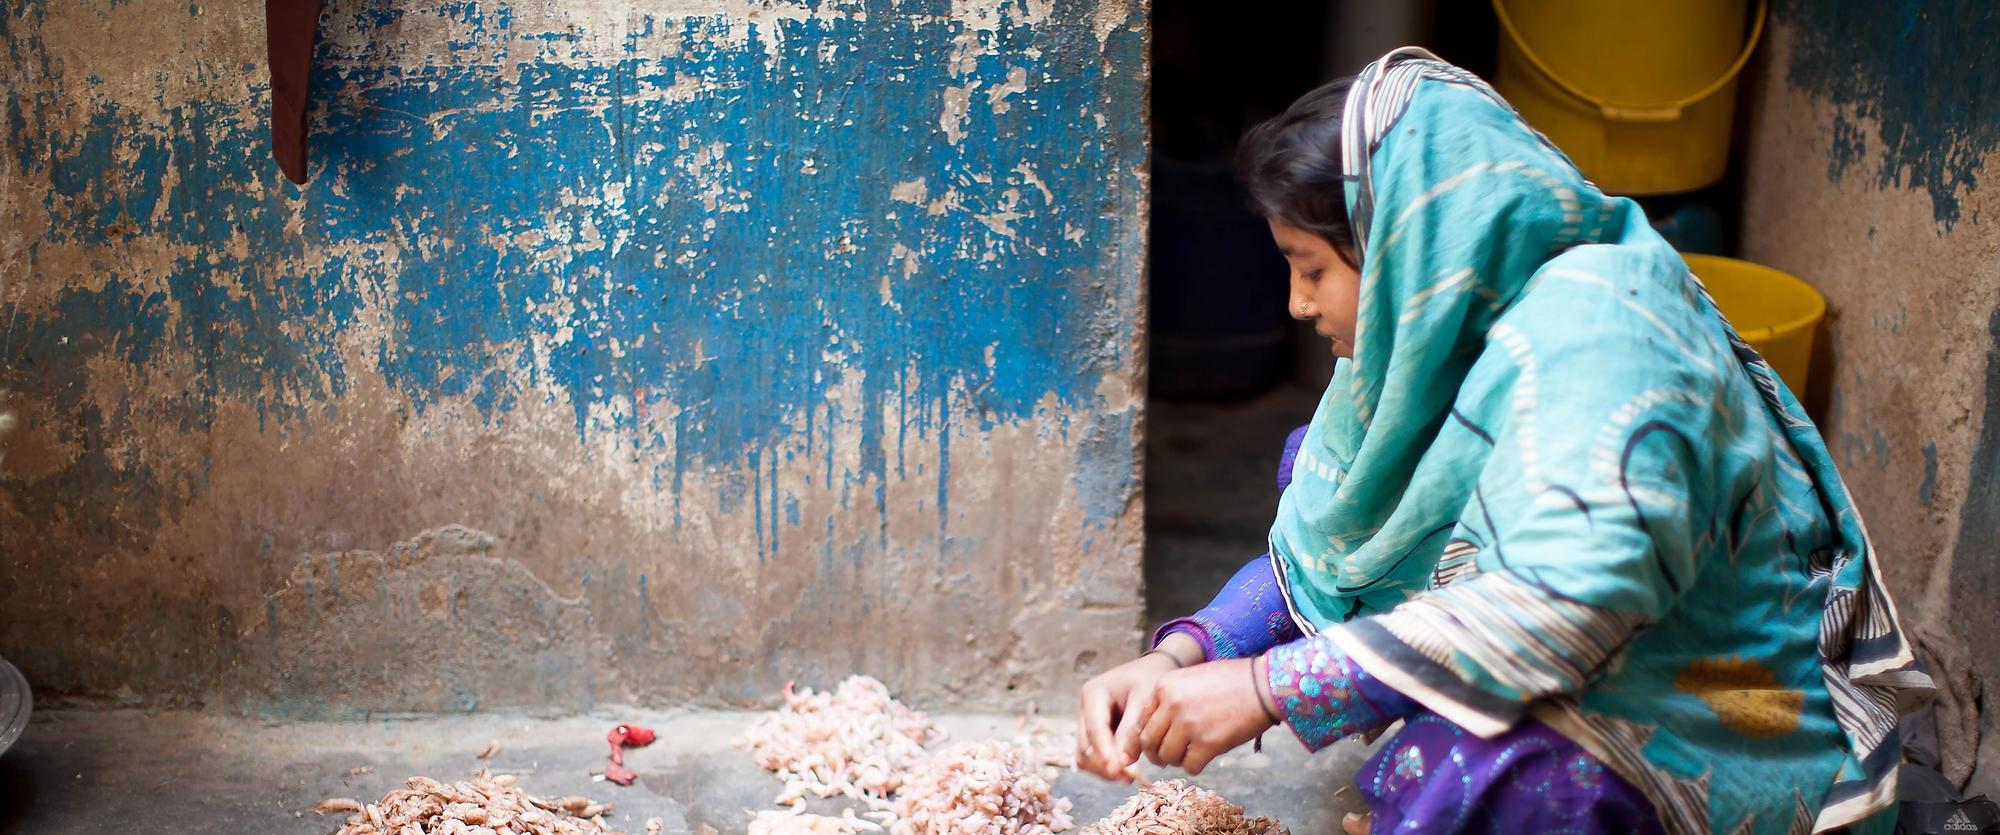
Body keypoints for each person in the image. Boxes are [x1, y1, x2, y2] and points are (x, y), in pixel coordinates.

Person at [1074, 49, 1933, 835]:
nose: (1300, 306)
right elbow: (1329, 551)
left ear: (1409, 243)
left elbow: (1565, 604)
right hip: (1587, 666)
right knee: (1348, 503)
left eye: (1313, 269)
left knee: (1494, 779)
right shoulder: (1430, 341)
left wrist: (1270, 689)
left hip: (1725, 713)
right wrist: (1186, 653)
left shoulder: (1614, 334)